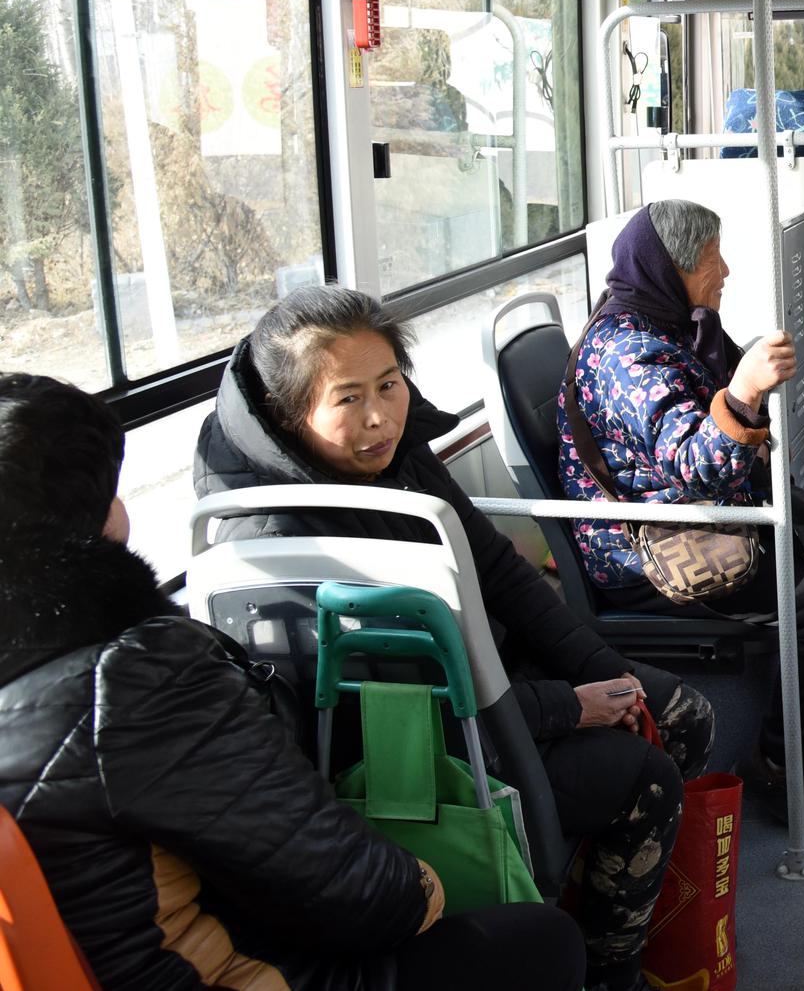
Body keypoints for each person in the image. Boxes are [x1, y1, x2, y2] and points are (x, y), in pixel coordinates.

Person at [190, 288, 711, 991]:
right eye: (348, 399)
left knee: (679, 714)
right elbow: (401, 711)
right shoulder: (280, 542)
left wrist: (605, 669)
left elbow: (496, 567)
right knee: (648, 779)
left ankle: (586, 891)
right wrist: (572, 706)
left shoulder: (394, 456)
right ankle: (608, 969)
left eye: (389, 385)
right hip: (421, 749)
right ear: (289, 416)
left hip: (490, 681)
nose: (379, 417)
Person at [0, 373, 587, 991]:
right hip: (233, 971)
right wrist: (428, 889)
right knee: (540, 941)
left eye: (389, 385)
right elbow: (360, 894)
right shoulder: (134, 677)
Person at [558, 200, 804, 832]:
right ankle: (776, 763)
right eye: (713, 260)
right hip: (654, 547)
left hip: (702, 510)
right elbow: (694, 464)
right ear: (672, 268)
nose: (726, 271)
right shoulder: (629, 356)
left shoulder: (666, 323)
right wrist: (745, 392)